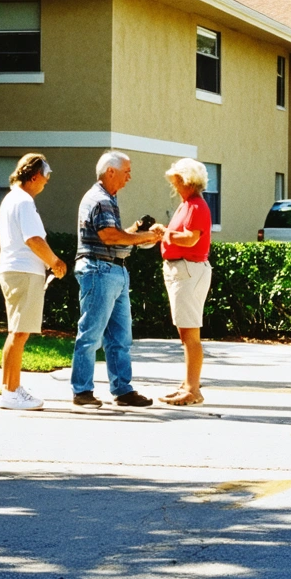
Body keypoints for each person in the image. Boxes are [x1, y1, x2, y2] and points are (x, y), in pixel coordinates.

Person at [71, 151, 164, 409]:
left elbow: (115, 235)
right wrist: (145, 238)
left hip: (112, 271)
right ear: (110, 172)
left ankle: (122, 389)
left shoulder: (106, 199)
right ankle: (82, 391)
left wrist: (135, 230)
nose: (129, 177)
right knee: (91, 334)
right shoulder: (101, 200)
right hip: (100, 270)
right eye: (126, 172)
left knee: (120, 337)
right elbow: (110, 237)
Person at [0, 153, 67, 410]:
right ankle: (11, 392)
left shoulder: (11, 199)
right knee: (19, 332)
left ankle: (11, 388)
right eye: (45, 179)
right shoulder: (24, 202)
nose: (45, 184)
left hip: (15, 270)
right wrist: (55, 262)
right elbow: (34, 239)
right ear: (34, 176)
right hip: (23, 272)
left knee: (17, 332)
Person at [156, 158, 213, 406]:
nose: (173, 183)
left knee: (190, 332)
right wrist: (167, 233)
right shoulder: (188, 205)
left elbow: (190, 240)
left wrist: (164, 232)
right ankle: (189, 384)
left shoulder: (196, 207)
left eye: (176, 178)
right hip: (183, 271)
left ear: (185, 180)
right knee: (185, 331)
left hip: (188, 270)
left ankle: (192, 389)